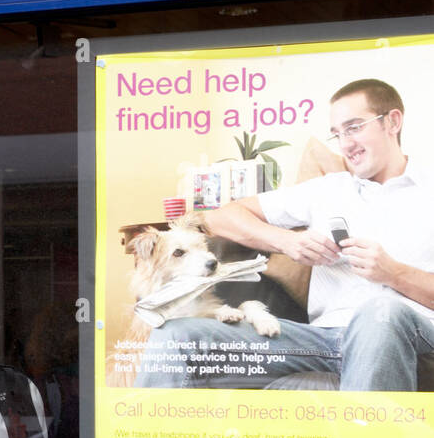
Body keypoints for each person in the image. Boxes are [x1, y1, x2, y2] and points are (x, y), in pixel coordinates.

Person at [136, 79, 434, 391]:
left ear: (393, 122)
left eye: (355, 127)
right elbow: (220, 218)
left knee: (379, 312)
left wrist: (394, 274)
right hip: (320, 341)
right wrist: (286, 241)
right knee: (174, 336)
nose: (345, 144)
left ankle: (367, 436)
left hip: (402, 332)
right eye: (338, 134)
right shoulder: (329, 188)